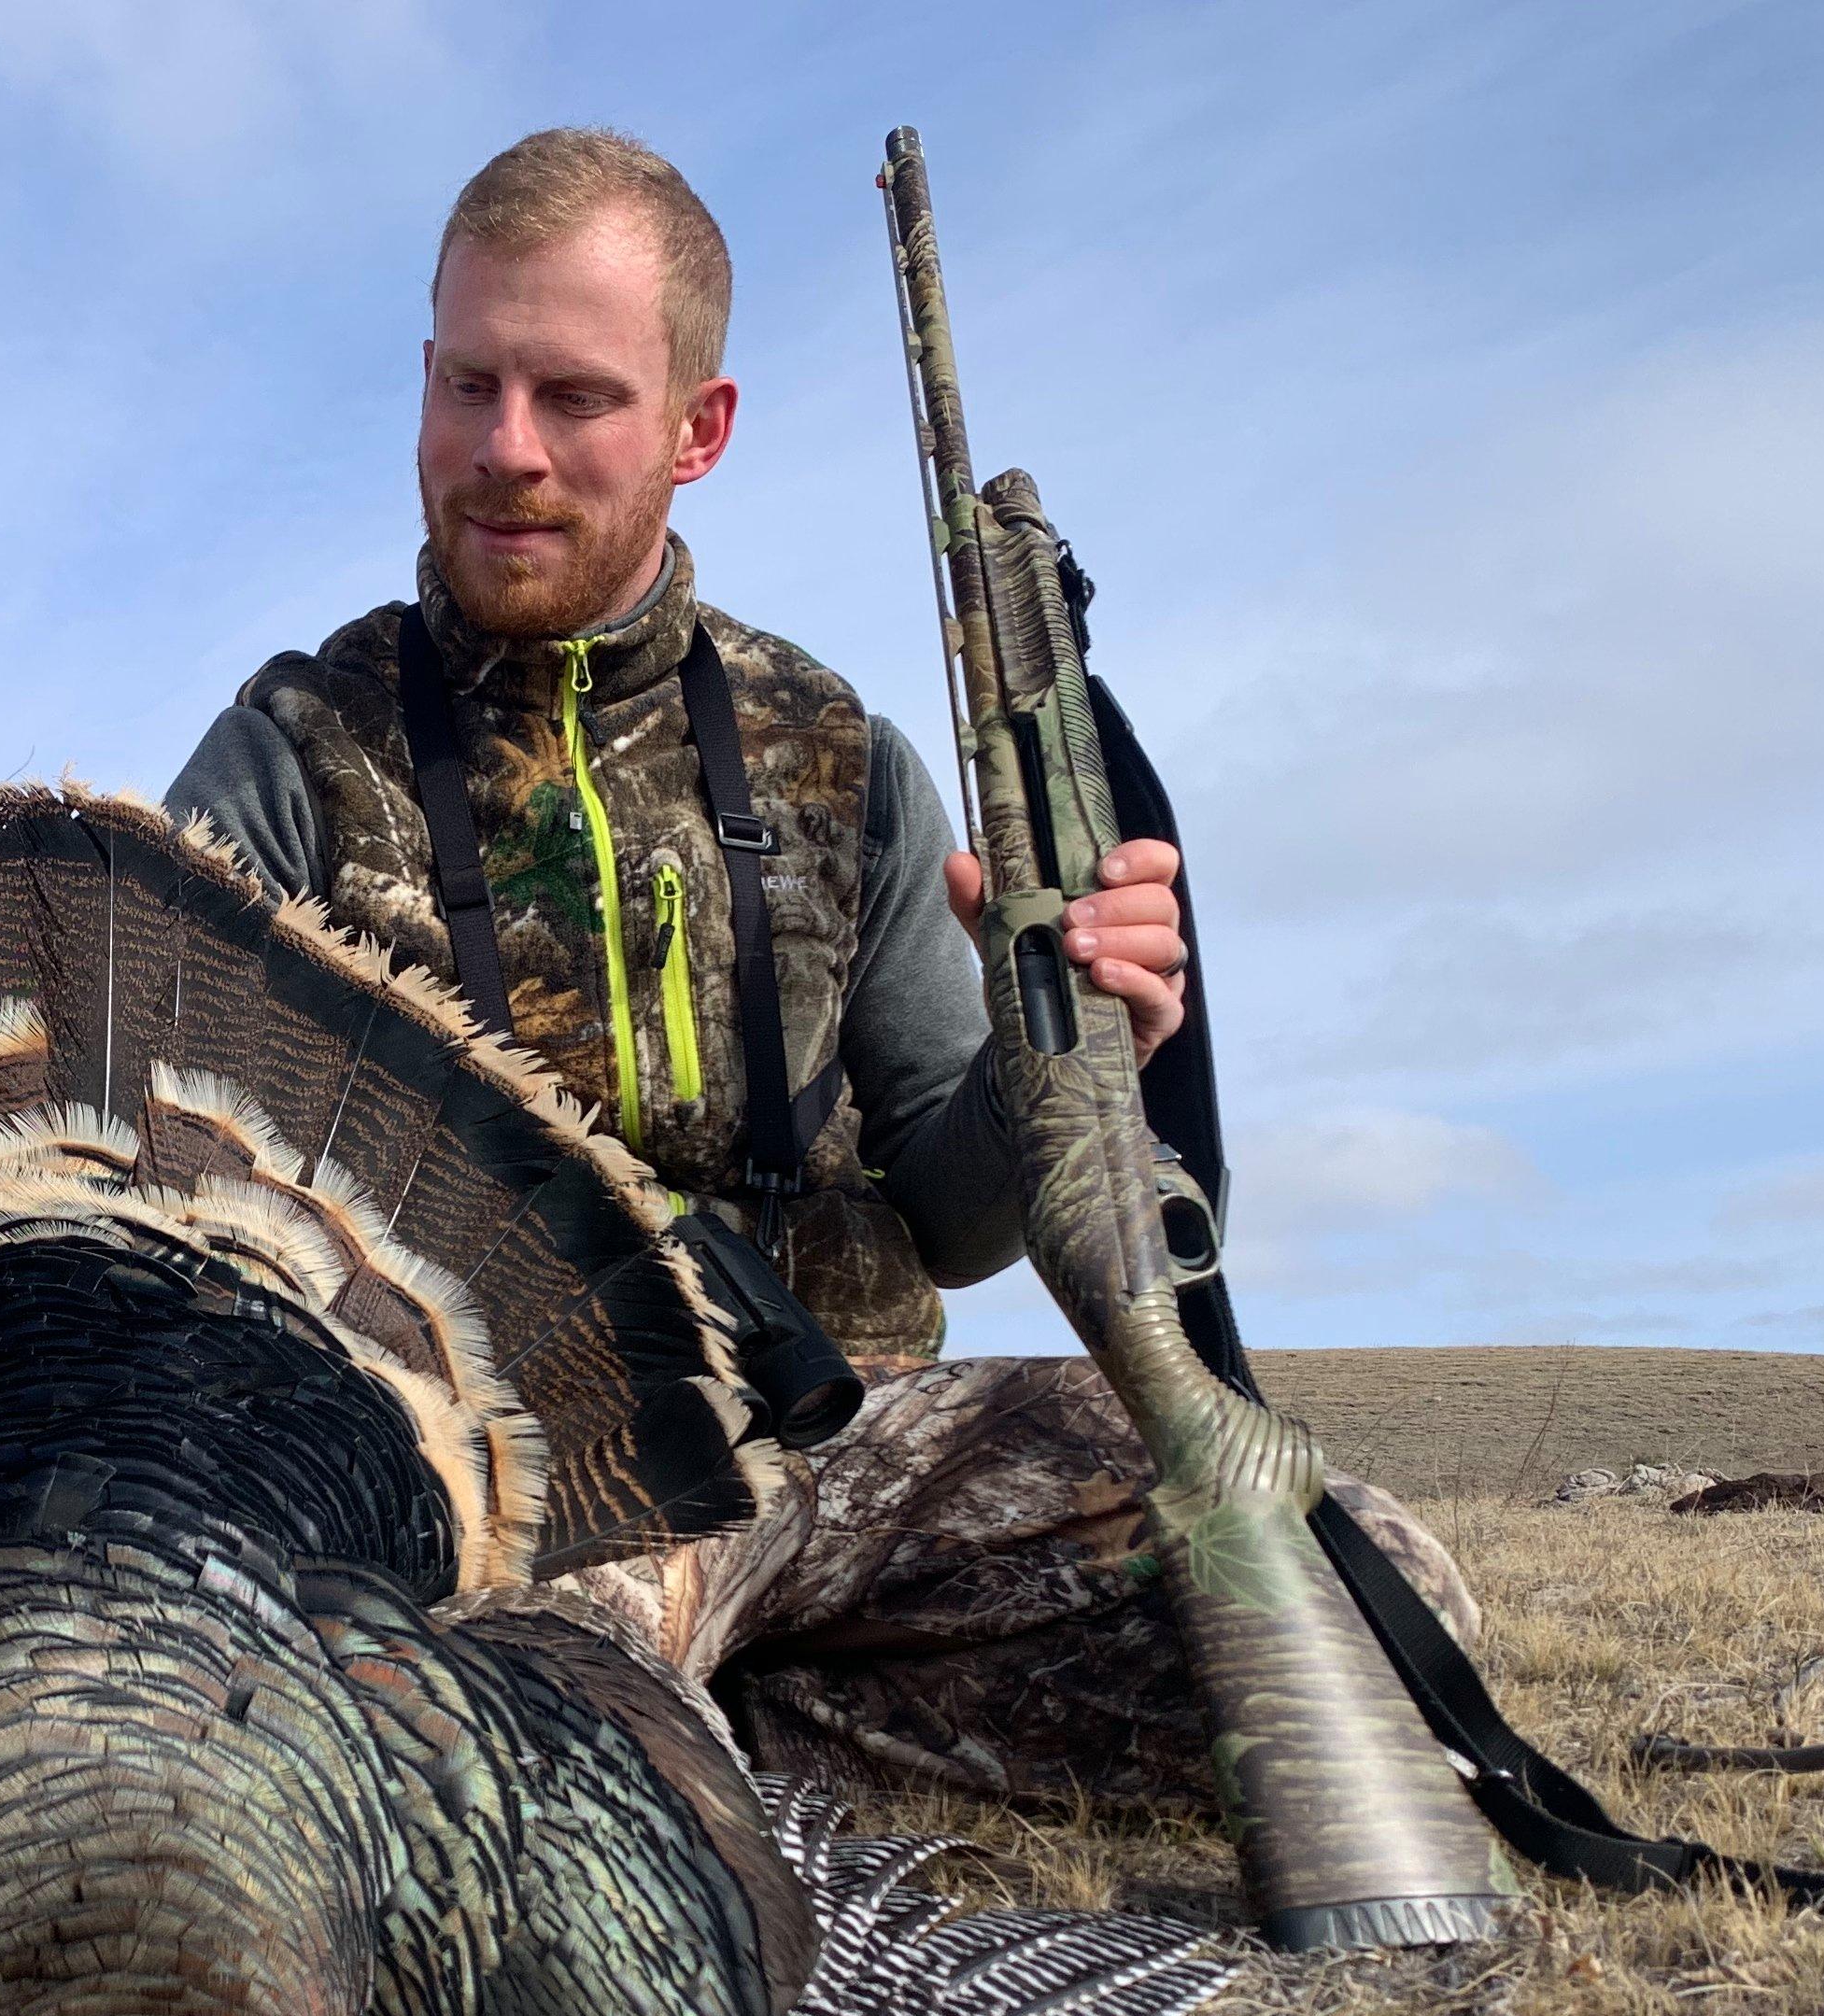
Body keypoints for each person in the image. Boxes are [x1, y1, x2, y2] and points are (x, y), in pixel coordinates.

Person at [167, 126, 1472, 1817]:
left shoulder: (833, 753)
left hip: (844, 1451)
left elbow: (960, 1216)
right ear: (423, 377)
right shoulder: (292, 755)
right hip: (506, 1489)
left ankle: (727, 1758)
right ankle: (691, 1761)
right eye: (469, 384)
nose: (506, 451)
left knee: (1375, 1588)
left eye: (575, 398)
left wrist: (1067, 1050)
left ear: (699, 429)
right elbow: (166, 1213)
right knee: (537, 1688)